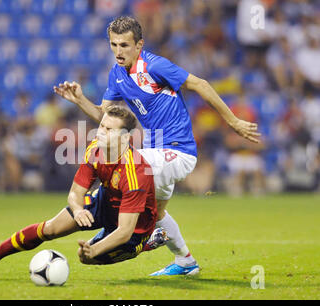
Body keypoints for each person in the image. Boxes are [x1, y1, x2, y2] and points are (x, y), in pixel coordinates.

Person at [54, 16, 261, 276]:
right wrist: (80, 100)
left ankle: (120, 229)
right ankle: (186, 261)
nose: (119, 51)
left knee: (128, 166)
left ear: (139, 45)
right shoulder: (117, 74)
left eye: (125, 45)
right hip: (155, 154)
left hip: (178, 152)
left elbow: (201, 84)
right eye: (114, 45)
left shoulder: (154, 66)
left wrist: (233, 121)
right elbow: (103, 116)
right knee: (158, 211)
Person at [0, 106, 168, 268]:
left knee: (86, 259)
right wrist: (77, 210)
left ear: (125, 137)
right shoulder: (95, 149)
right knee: (50, 228)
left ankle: (147, 243)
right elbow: (76, 193)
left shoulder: (135, 174)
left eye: (109, 129)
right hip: (104, 203)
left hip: (134, 229)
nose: (101, 133)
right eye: (101, 126)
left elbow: (124, 230)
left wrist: (93, 251)